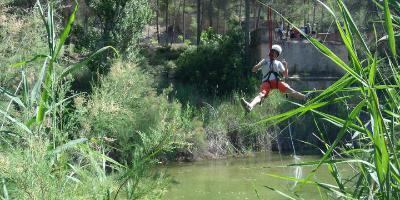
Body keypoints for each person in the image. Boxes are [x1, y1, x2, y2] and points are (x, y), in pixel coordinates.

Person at [241, 44, 312, 112]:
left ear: (277, 55)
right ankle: (250, 106)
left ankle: (305, 97)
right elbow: (253, 70)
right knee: (261, 95)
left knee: (288, 89)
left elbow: (285, 75)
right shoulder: (265, 60)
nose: (273, 53)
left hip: (276, 82)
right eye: (272, 52)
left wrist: (285, 65)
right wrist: (258, 66)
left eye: (275, 53)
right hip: (266, 82)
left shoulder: (278, 63)